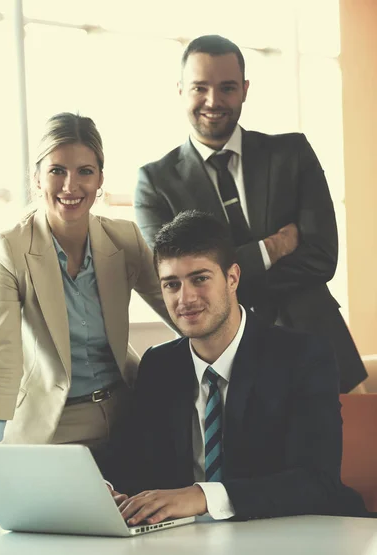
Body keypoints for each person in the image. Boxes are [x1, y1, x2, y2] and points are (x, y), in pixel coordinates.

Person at [134, 34, 367, 394]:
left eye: (227, 87)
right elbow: (178, 279)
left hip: (321, 350)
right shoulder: (155, 182)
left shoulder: (292, 154)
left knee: (354, 451)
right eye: (200, 87)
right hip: (230, 369)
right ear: (180, 90)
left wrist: (222, 283)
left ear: (244, 89)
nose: (213, 101)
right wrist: (272, 248)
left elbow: (322, 258)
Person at [107, 211, 366, 525]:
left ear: (232, 278)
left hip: (292, 537)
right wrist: (114, 492)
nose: (184, 298)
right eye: (171, 284)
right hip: (188, 544)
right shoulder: (159, 365)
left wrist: (204, 496)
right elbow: (139, 464)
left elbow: (317, 482)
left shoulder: (303, 357)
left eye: (199, 279)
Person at [0, 112, 170, 512]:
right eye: (57, 171)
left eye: (85, 171)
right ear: (37, 178)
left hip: (123, 418)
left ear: (100, 179)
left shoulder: (125, 238)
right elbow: (2, 357)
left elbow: (179, 309)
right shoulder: (9, 250)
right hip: (51, 431)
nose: (70, 185)